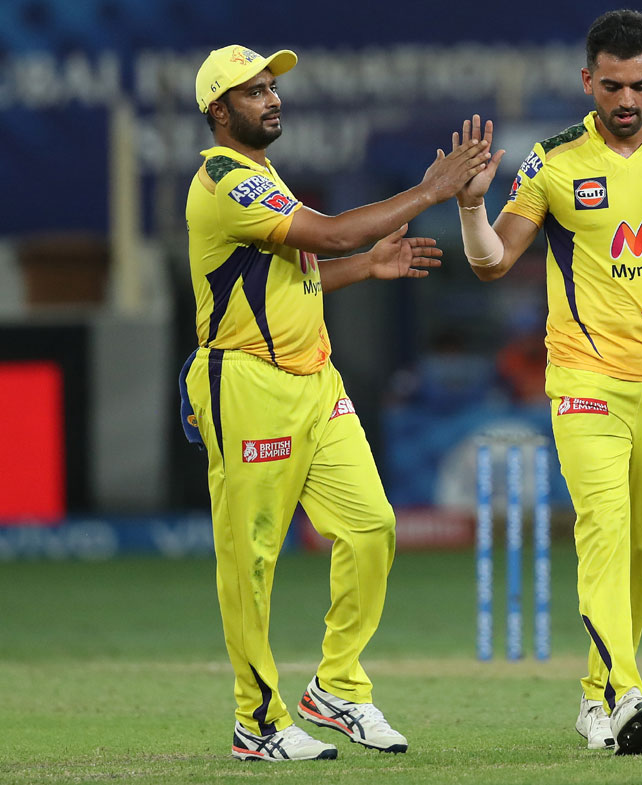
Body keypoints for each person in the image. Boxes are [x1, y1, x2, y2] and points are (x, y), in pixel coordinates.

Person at [450, 10, 642, 756]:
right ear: (588, 80)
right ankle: (629, 686)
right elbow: (494, 262)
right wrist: (469, 206)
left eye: (641, 84)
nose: (627, 100)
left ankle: (597, 701)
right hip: (586, 377)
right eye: (613, 85)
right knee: (604, 531)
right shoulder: (553, 161)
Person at [180, 44, 491, 762]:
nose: (272, 98)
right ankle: (256, 720)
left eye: (272, 87)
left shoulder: (263, 174)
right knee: (250, 558)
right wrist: (430, 191)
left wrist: (362, 268)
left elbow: (297, 273)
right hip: (248, 383)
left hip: (316, 380)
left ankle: (338, 689)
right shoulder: (225, 180)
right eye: (254, 92)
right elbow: (334, 231)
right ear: (220, 112)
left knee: (372, 525)